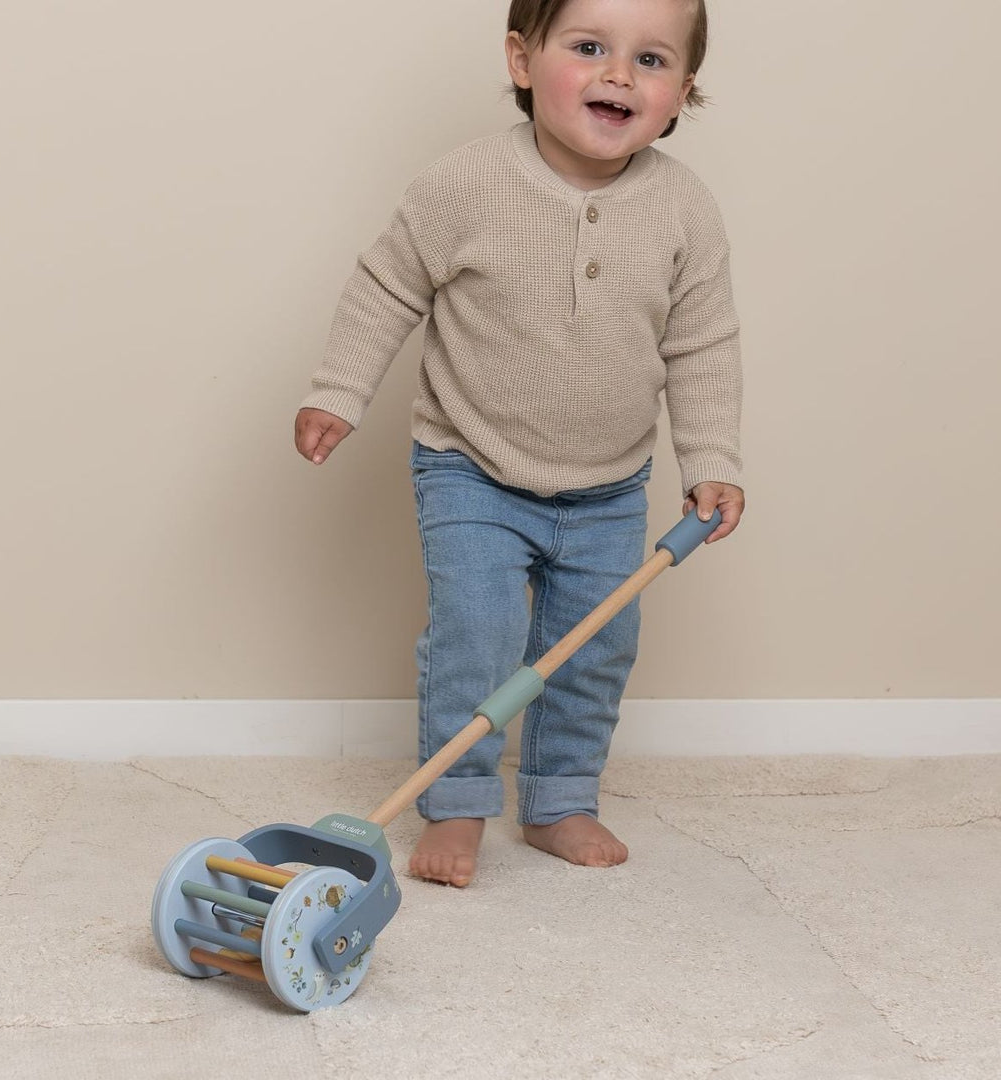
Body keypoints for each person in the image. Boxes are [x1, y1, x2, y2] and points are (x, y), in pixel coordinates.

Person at [295, 0, 744, 887]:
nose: (619, 74)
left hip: (612, 486)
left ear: (681, 93)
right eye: (588, 48)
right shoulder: (463, 183)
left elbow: (703, 343)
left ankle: (560, 797)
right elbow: (387, 285)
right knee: (478, 633)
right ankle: (457, 802)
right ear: (522, 59)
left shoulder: (685, 209)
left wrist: (714, 461)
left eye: (650, 60)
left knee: (594, 645)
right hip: (472, 466)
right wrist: (339, 392)